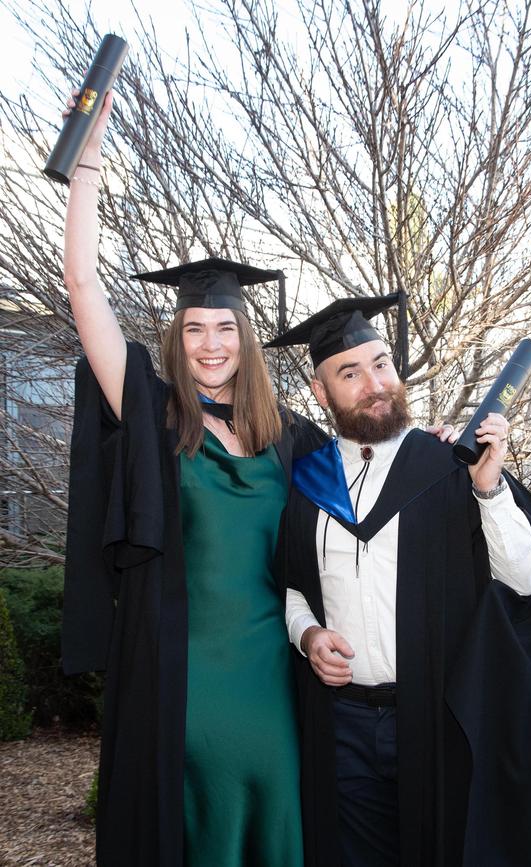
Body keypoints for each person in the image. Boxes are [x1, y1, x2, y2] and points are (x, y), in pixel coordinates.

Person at [60, 90, 328, 867]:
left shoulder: (293, 441)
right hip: (182, 677)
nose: (210, 343)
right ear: (177, 336)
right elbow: (83, 286)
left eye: (225, 328)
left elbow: (364, 498)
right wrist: (88, 164)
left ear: (245, 337)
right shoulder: (151, 412)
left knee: (277, 819)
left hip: (272, 677)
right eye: (193, 328)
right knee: (190, 830)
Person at [266, 297, 531, 867]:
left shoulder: (449, 466)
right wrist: (307, 635)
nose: (374, 383)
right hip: (343, 721)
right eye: (350, 373)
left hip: (436, 719)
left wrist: (490, 488)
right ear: (321, 391)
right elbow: (289, 588)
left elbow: (525, 580)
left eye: (381, 364)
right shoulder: (305, 481)